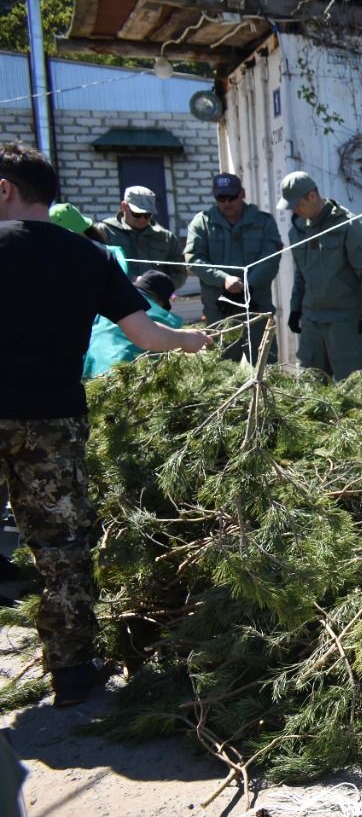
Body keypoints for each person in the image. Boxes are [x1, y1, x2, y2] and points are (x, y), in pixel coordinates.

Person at [0, 142, 210, 707]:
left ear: (6, 188)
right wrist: (191, 341)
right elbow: (147, 335)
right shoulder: (90, 257)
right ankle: (70, 673)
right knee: (63, 544)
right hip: (53, 421)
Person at [279, 171, 362, 380]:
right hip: (311, 322)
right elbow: (301, 273)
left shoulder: (347, 226)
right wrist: (295, 308)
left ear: (312, 196)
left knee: (351, 390)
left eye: (297, 204)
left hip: (343, 322)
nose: (295, 210)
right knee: (310, 389)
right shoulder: (298, 231)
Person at [185, 173, 284, 363]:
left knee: (267, 368)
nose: (227, 203)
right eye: (221, 198)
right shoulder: (203, 223)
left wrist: (247, 285)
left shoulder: (263, 222)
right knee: (222, 371)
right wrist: (223, 279)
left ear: (242, 194)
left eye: (232, 197)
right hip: (220, 310)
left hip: (256, 306)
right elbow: (193, 259)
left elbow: (271, 258)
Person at [83, 271, 184, 378]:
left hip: (90, 368)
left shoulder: (109, 303)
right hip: (125, 375)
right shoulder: (164, 318)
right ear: (161, 300)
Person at [98, 185, 187, 289]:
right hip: (116, 297)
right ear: (123, 207)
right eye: (137, 214)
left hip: (154, 300)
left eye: (147, 215)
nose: (142, 219)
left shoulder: (166, 238)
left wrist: (164, 286)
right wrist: (132, 280)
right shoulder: (104, 232)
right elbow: (95, 268)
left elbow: (179, 273)